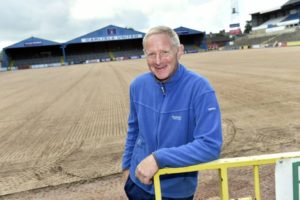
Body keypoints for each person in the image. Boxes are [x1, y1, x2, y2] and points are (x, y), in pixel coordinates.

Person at [122, 25, 223, 200]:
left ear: (179, 51)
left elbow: (210, 145)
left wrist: (158, 158)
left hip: (175, 193)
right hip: (137, 185)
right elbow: (134, 129)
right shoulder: (137, 86)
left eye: (165, 52)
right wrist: (126, 169)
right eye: (151, 54)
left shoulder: (200, 89)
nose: (158, 60)